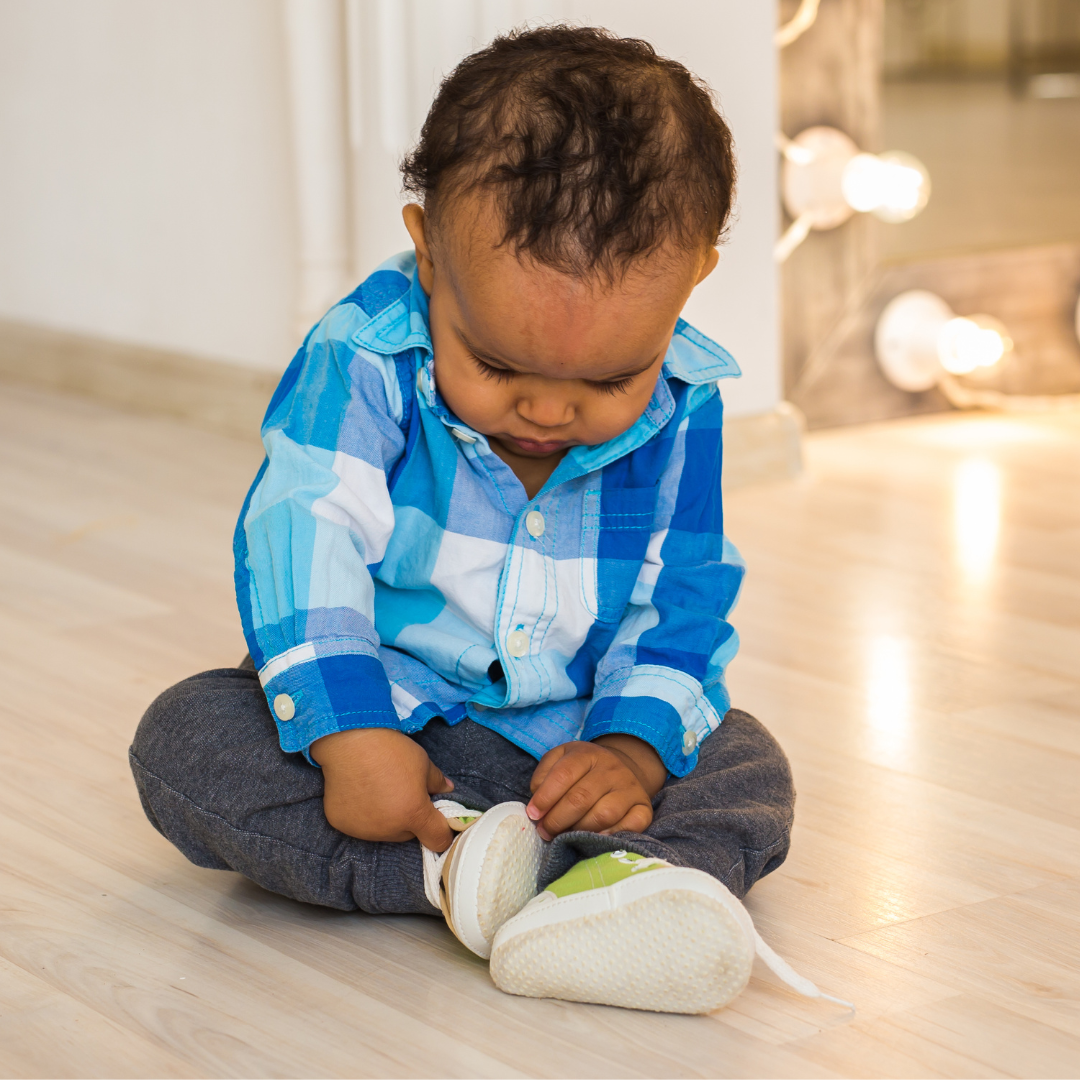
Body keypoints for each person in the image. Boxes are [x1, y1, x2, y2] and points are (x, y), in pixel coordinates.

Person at [130, 25, 804, 1015]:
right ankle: (457, 880)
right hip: (391, 713)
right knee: (182, 739)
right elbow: (302, 533)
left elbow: (684, 596)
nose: (545, 412)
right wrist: (348, 732)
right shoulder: (364, 361)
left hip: (566, 733)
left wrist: (628, 754)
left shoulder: (687, 403)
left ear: (696, 274)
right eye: (495, 366)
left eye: (610, 380)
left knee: (748, 763)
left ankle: (616, 879)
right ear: (428, 254)